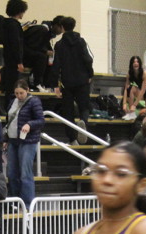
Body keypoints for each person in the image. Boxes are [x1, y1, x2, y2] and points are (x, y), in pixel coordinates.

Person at [53, 16, 94, 145]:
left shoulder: (59, 45)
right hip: (82, 79)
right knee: (84, 106)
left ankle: (72, 138)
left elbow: (56, 65)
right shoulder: (81, 41)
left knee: (68, 111)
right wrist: (90, 74)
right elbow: (89, 58)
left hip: (67, 82)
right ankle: (83, 122)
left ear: (62, 27)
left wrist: (55, 84)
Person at [5, 80, 44, 205]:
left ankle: (27, 204)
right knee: (11, 173)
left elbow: (41, 120)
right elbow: (9, 122)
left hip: (28, 141)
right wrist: (6, 139)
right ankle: (15, 201)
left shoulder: (34, 101)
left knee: (25, 173)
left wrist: (29, 124)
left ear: (27, 90)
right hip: (13, 140)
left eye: (21, 93)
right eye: (16, 93)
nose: (19, 96)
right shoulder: (13, 101)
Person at [0, 0, 26, 110]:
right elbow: (16, 44)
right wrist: (19, 61)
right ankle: (10, 108)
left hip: (7, 56)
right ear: (19, 11)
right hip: (13, 60)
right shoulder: (14, 25)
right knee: (12, 86)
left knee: (9, 85)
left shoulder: (5, 23)